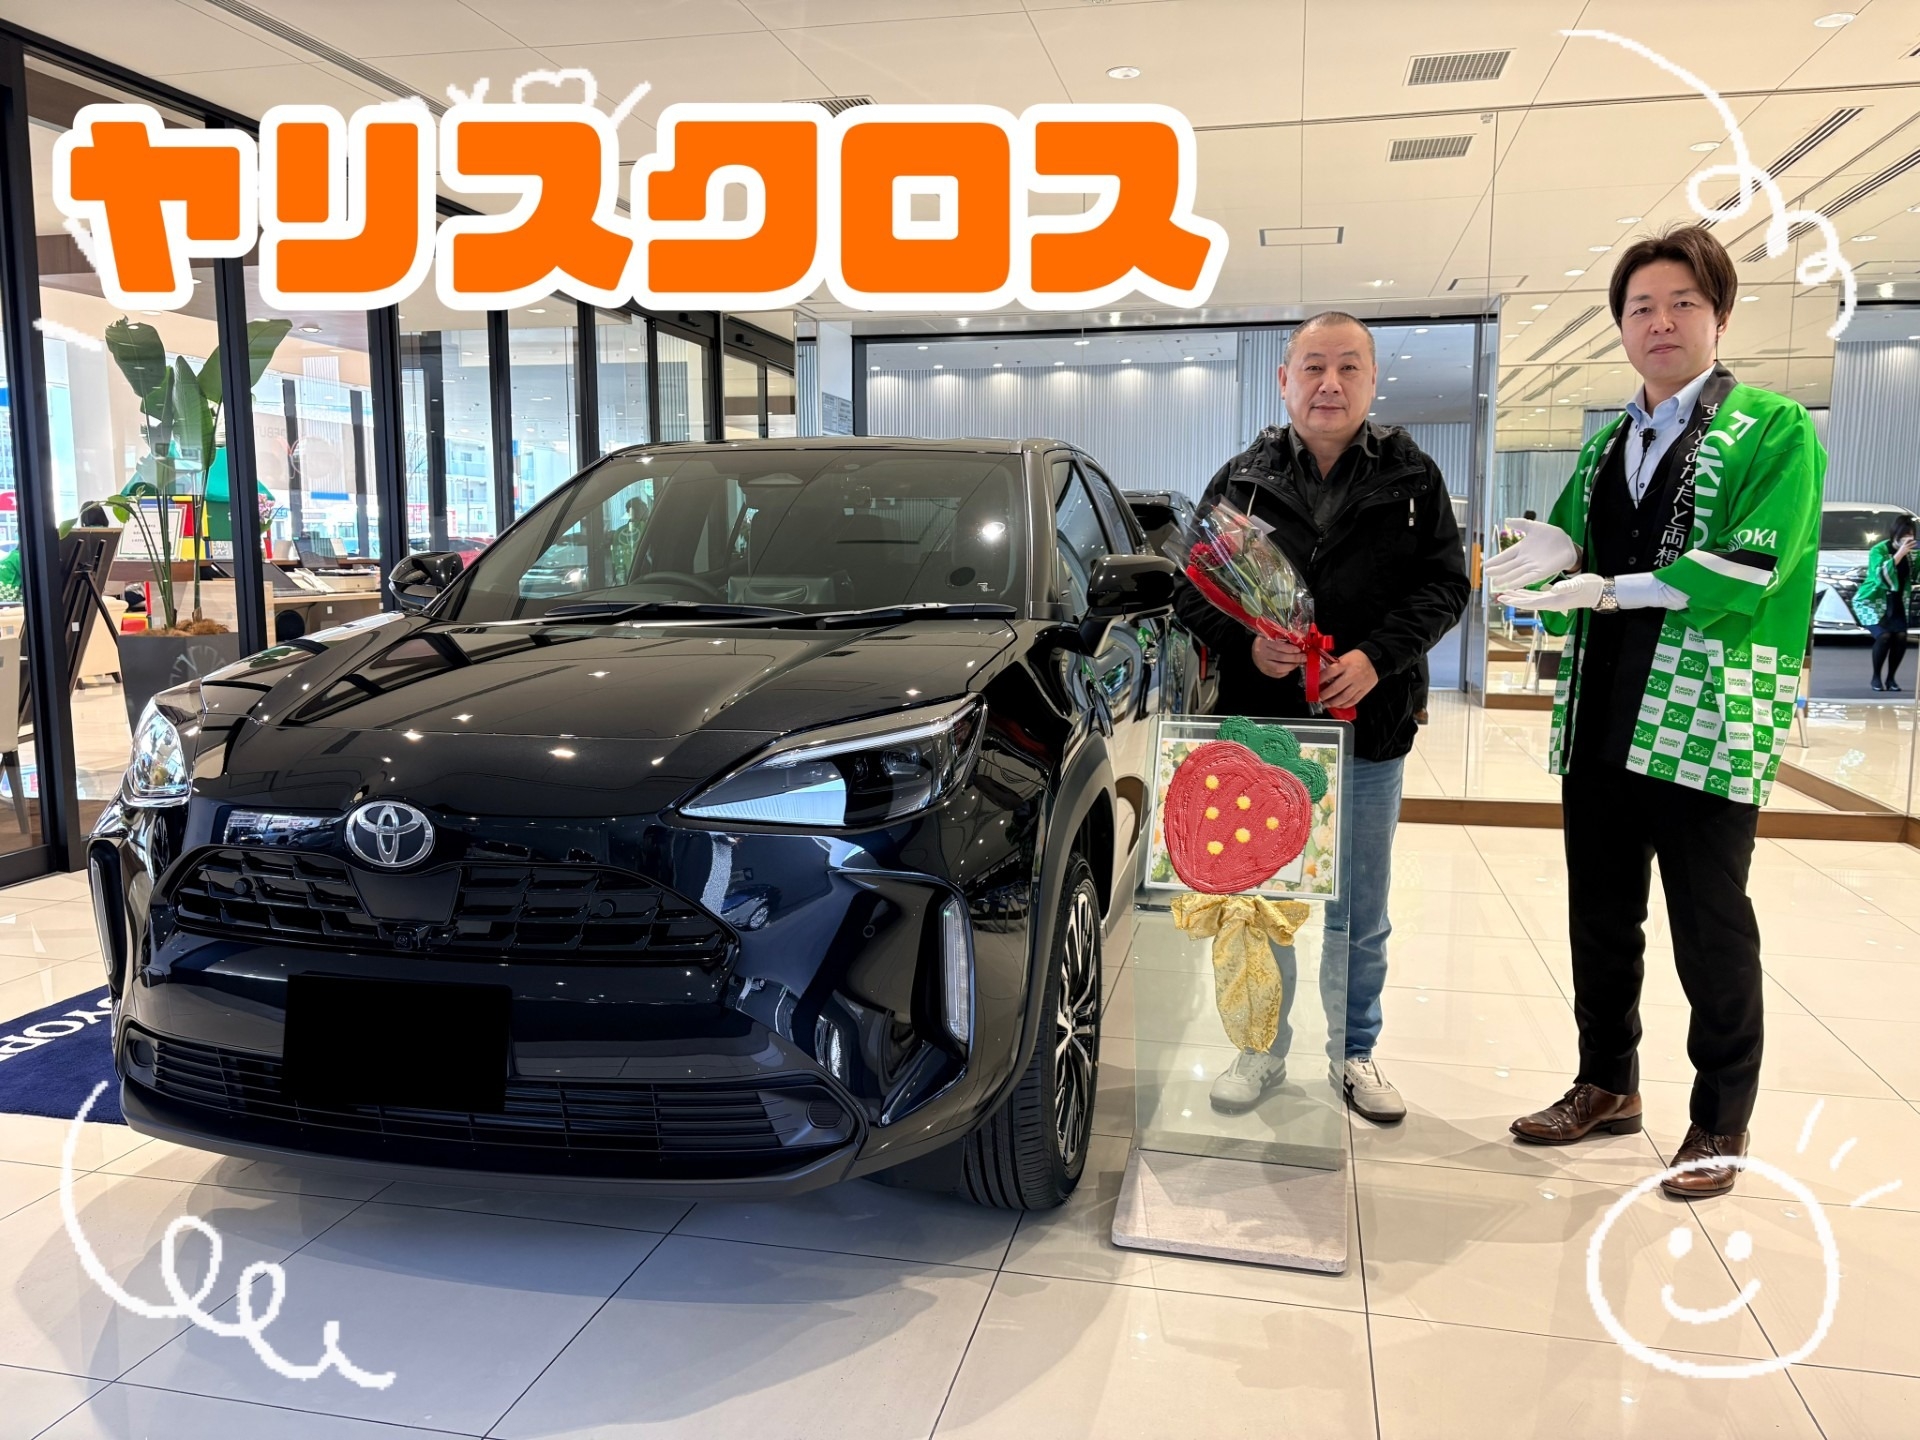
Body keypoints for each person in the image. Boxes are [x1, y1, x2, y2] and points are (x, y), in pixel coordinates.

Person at [1488, 224, 1826, 1199]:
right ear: (1622, 326)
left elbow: (1752, 563)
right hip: (1602, 706)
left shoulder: (1773, 428)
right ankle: (1607, 1083)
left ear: (1720, 316)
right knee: (1601, 916)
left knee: (1711, 925)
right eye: (1642, 307)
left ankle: (1721, 1118)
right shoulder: (1606, 442)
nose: (1661, 322)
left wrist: (1610, 588)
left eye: (1682, 303)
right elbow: (1567, 547)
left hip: (1706, 713)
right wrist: (1554, 554)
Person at [1176, 311, 1469, 1122]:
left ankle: (1355, 1052)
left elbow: (1446, 587)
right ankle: (1261, 1049)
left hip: (1369, 729)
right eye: (1312, 367)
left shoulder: (1412, 478)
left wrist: (1377, 659)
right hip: (1265, 734)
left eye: (1347, 367)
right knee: (1262, 903)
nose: (1329, 383)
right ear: (1284, 381)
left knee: (1358, 910)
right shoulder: (1242, 480)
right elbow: (1188, 590)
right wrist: (1247, 645)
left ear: (1372, 381)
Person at [1852, 515, 1914, 692]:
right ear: (1895, 534)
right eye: (1904, 534)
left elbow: (1915, 575)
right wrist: (1899, 555)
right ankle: (1876, 677)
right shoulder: (1879, 550)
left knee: (1900, 636)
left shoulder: (1914, 553)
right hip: (1872, 600)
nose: (1908, 538)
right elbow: (1879, 576)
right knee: (1884, 636)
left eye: (1911, 535)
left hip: (1897, 601)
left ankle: (1891, 678)